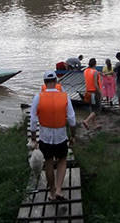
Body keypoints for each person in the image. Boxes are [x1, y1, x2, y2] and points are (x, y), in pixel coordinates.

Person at [30, 71, 77, 202]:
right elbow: (72, 119)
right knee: (62, 160)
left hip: (45, 138)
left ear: (44, 83)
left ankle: (51, 192)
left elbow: (33, 121)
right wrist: (73, 135)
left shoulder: (38, 97)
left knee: (49, 162)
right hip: (61, 137)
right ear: (56, 82)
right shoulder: (65, 97)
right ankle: (58, 190)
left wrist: (33, 138)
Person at [82, 58, 102, 130]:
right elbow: (96, 84)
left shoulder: (85, 71)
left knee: (92, 108)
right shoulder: (95, 72)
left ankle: (95, 124)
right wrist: (100, 93)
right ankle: (86, 121)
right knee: (97, 109)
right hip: (94, 92)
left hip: (88, 92)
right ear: (95, 64)